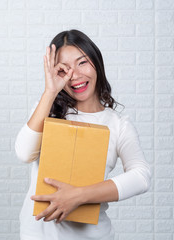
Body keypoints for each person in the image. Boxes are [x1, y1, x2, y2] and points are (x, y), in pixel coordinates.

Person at [15, 29, 151, 240]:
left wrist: (78, 196)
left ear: (97, 62)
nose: (75, 75)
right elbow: (24, 153)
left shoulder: (117, 124)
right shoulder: (46, 109)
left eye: (82, 62)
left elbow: (141, 177)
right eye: (65, 68)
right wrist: (49, 92)